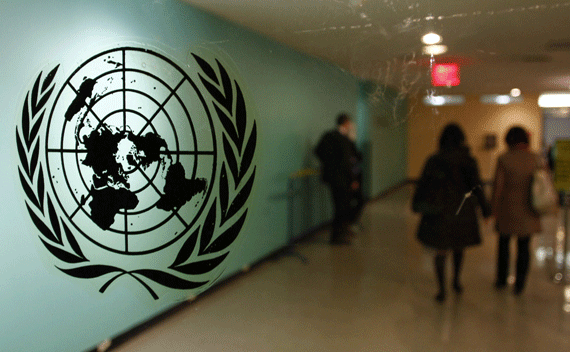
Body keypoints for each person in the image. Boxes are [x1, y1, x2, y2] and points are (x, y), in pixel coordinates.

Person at [412, 123, 490, 302]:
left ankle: (441, 290)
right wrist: (486, 210)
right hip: (463, 210)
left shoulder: (434, 159)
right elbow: (477, 187)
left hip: (439, 212)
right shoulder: (468, 160)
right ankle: (456, 281)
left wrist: (417, 203)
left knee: (441, 250)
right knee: (458, 247)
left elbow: (423, 184)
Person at [491, 126, 542, 295]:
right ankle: (520, 284)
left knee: (504, 244)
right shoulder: (535, 158)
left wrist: (494, 209)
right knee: (524, 247)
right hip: (529, 209)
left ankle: (501, 279)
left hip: (508, 208)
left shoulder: (504, 158)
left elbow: (498, 187)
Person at [315, 113, 363, 245]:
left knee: (347, 205)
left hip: (344, 178)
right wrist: (332, 165)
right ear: (346, 123)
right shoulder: (333, 137)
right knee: (340, 207)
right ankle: (337, 236)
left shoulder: (344, 139)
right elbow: (319, 152)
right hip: (339, 179)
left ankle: (343, 231)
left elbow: (355, 158)